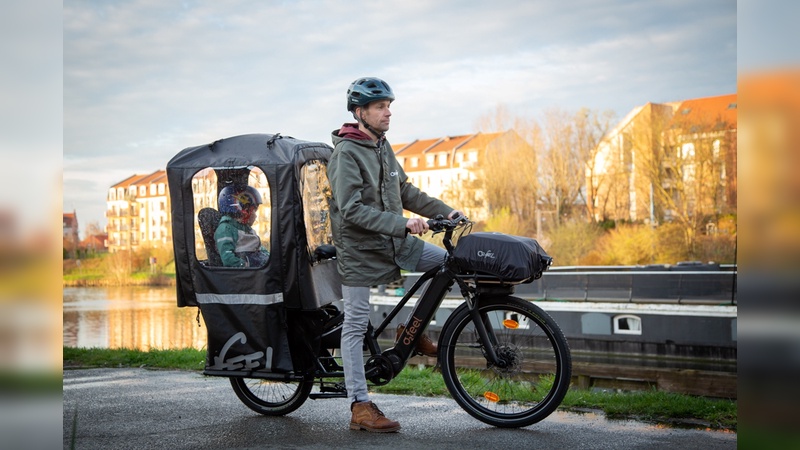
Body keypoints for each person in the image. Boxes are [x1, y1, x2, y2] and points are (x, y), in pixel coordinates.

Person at [327, 77, 463, 433]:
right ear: (360, 113)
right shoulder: (346, 153)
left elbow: (403, 189)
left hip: (393, 242)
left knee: (449, 264)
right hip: (359, 250)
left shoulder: (381, 146)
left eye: (389, 106)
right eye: (380, 107)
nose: (388, 112)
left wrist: (447, 212)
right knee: (355, 324)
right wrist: (404, 225)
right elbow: (351, 210)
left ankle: (412, 330)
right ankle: (359, 404)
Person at [214, 184, 270, 268]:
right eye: (254, 210)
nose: (256, 215)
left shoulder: (246, 228)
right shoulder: (226, 230)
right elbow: (228, 259)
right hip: (249, 273)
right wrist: (246, 266)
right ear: (243, 210)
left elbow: (258, 248)